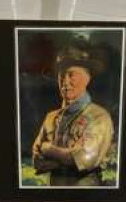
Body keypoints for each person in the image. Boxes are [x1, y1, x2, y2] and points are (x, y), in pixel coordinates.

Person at [30, 40, 114, 186]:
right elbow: (37, 162)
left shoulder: (99, 117)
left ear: (87, 78)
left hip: (86, 196)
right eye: (61, 75)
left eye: (71, 74)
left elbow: (87, 160)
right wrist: (68, 156)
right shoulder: (50, 118)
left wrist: (49, 149)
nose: (64, 82)